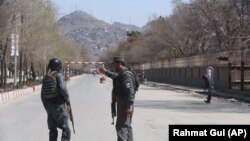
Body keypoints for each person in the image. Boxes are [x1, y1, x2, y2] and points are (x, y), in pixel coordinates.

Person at [98, 56, 135, 141]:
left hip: (125, 104)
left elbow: (130, 91)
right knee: (127, 126)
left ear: (120, 64)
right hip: (124, 102)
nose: (113, 66)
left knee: (121, 127)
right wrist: (105, 72)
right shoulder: (122, 74)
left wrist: (129, 105)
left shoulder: (126, 75)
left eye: (114, 64)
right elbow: (115, 76)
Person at [41, 58, 71, 141]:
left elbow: (42, 96)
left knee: (52, 131)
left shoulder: (46, 77)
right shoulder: (59, 75)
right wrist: (67, 100)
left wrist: (47, 108)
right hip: (59, 106)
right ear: (59, 66)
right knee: (66, 130)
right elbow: (63, 89)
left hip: (49, 108)